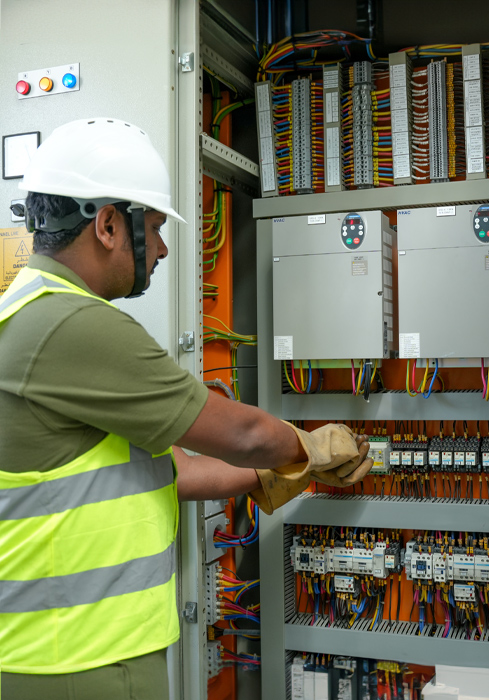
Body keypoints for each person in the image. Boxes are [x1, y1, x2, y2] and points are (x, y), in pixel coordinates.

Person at [0, 118, 372, 700]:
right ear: (106, 224)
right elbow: (245, 433)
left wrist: (287, 472)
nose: (165, 247)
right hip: (78, 663)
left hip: (64, 653)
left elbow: (180, 470)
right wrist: (314, 445)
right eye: (152, 226)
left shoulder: (31, 313)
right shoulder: (72, 326)